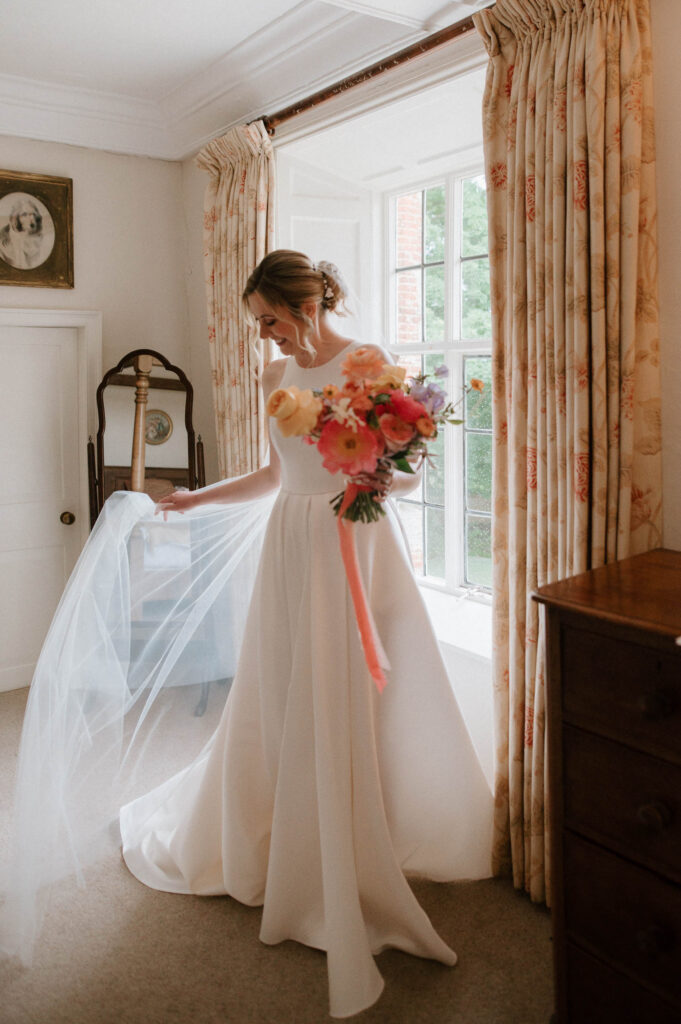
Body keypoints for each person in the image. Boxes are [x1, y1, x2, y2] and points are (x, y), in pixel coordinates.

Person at [1, 249, 493, 1020]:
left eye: (268, 318)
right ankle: (294, 832)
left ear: (307, 304)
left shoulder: (367, 363)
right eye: (256, 322)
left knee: (361, 693)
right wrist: (199, 502)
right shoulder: (273, 378)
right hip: (295, 543)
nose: (263, 335)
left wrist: (373, 473)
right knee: (288, 686)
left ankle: (364, 835)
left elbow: (405, 474)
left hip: (356, 543)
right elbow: (276, 475)